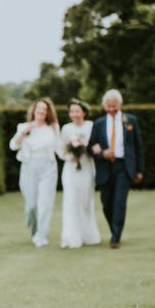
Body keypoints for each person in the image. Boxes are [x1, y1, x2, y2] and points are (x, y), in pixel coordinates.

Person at [87, 89, 144, 248]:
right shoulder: (98, 124)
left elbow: (138, 146)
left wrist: (139, 170)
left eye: (115, 106)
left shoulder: (130, 120)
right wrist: (102, 153)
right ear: (104, 106)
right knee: (107, 203)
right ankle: (114, 229)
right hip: (105, 167)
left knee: (120, 202)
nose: (112, 109)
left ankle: (116, 237)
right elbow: (91, 146)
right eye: (109, 106)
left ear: (119, 105)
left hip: (123, 167)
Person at [9, 97, 60, 248]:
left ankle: (41, 236)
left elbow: (59, 147)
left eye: (44, 110)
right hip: (29, 167)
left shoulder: (53, 127)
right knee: (31, 205)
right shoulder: (23, 127)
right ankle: (34, 232)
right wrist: (24, 132)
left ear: (48, 112)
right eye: (39, 109)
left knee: (45, 204)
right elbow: (13, 146)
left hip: (48, 166)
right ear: (34, 110)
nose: (41, 112)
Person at [57, 98, 101, 248]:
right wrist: (71, 156)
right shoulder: (66, 128)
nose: (74, 113)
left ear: (84, 112)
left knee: (86, 202)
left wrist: (83, 146)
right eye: (72, 111)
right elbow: (61, 150)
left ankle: (88, 235)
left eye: (77, 110)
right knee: (70, 201)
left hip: (87, 168)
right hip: (70, 169)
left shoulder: (91, 126)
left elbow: (95, 145)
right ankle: (71, 237)